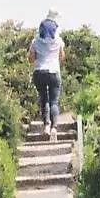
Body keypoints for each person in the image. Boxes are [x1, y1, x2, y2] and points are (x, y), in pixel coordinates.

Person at [28, 9, 65, 141]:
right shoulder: (58, 40)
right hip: (54, 71)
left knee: (44, 99)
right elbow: (62, 57)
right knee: (54, 100)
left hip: (39, 72)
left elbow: (31, 59)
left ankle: (46, 126)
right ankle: (55, 127)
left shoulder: (35, 41)